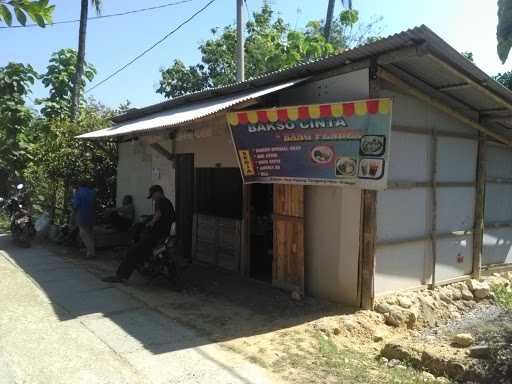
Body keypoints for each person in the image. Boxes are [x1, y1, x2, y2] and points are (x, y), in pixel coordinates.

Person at [102, 185, 175, 283]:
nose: (153, 198)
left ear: (158, 192)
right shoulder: (169, 203)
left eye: (153, 195)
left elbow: (158, 215)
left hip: (155, 235)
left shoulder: (160, 201)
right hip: (164, 235)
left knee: (132, 252)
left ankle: (120, 276)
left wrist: (150, 223)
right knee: (142, 251)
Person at [72, 180, 97, 259]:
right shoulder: (92, 192)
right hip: (92, 216)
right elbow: (95, 204)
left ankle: (91, 253)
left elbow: (75, 206)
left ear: (79, 185)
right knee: (90, 234)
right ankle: (90, 252)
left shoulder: (78, 193)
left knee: (83, 234)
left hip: (82, 216)